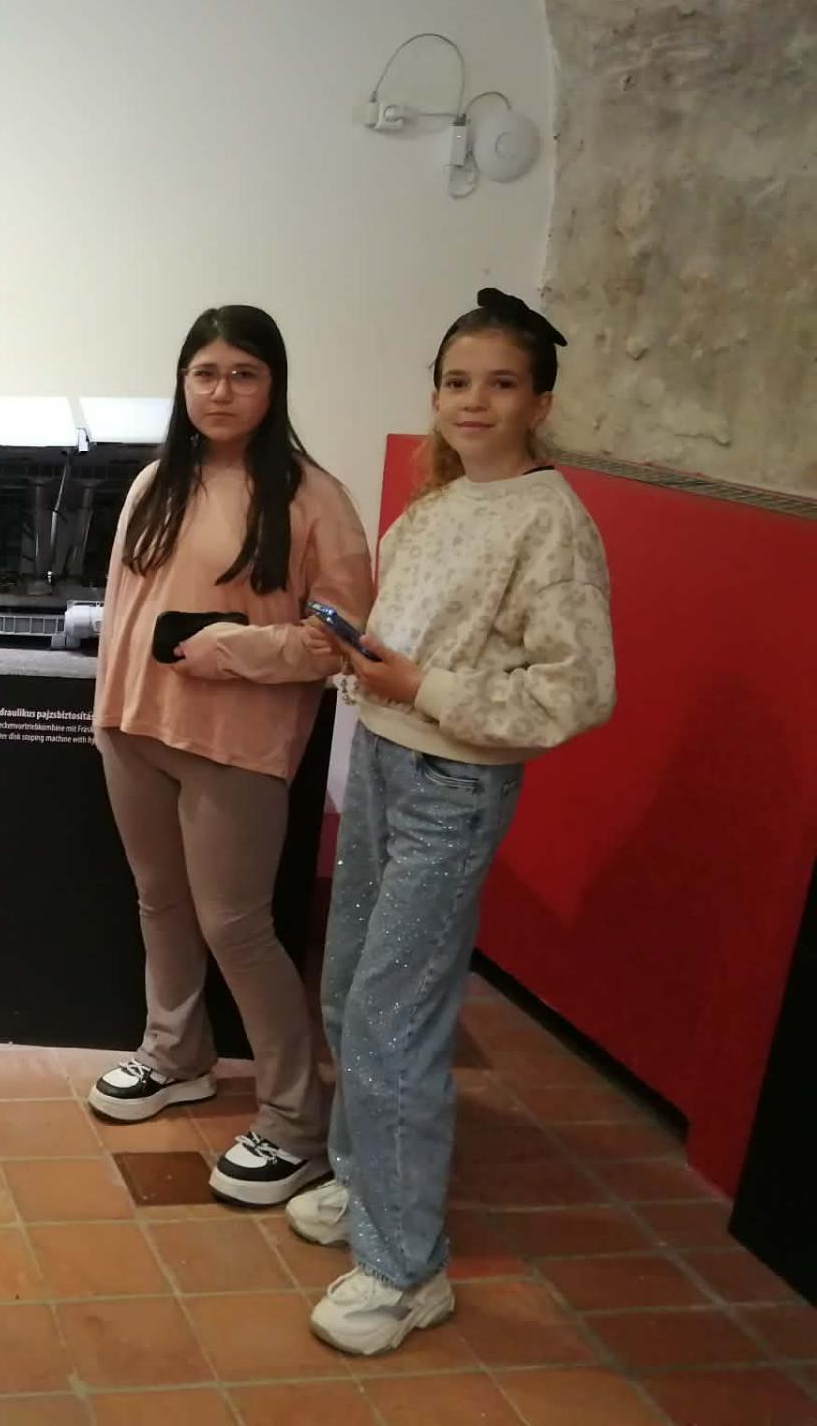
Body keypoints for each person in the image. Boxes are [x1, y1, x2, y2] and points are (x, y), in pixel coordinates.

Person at [293, 289, 616, 1355]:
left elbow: (576, 690)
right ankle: (365, 1183)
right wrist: (359, 654)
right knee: (350, 987)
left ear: (541, 402)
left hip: (453, 785)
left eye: (501, 384)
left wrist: (423, 685)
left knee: (395, 1019)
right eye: (457, 382)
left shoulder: (551, 520)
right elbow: (406, 646)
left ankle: (406, 1268)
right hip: (387, 761)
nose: (474, 402)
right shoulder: (433, 506)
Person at [89, 304, 374, 1207]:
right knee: (160, 901)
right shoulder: (154, 485)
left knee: (237, 927)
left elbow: (340, 642)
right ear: (183, 382)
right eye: (205, 373)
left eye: (244, 374)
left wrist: (228, 647)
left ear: (273, 386)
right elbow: (124, 617)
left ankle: (296, 1121)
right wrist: (109, 715)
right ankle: (177, 1054)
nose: (221, 391)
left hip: (236, 745)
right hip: (135, 730)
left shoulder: (314, 498)